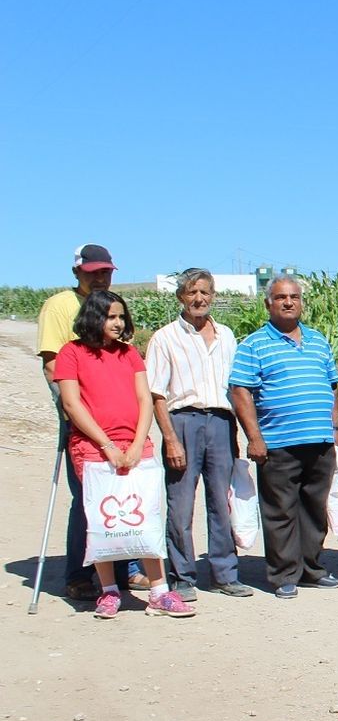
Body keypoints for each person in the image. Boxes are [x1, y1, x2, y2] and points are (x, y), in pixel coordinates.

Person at [53, 290, 193, 620]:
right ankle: (109, 591)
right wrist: (108, 446)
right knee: (103, 518)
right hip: (93, 448)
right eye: (110, 316)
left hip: (135, 445)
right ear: (94, 317)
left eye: (121, 316)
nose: (117, 323)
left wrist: (137, 443)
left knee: (144, 513)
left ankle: (159, 592)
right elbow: (71, 403)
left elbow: (145, 399)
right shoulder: (71, 353)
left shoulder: (129, 353)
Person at [36, 243, 145, 599]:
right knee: (88, 498)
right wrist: (73, 410)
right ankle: (80, 575)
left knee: (125, 495)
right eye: (93, 272)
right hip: (83, 419)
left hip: (120, 423)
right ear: (77, 272)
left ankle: (127, 568)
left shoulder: (113, 307)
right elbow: (52, 364)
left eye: (106, 272)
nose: (100, 277)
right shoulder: (60, 305)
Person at [229, 275, 338, 600]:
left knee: (314, 508)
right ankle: (284, 574)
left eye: (294, 296)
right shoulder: (254, 344)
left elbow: (333, 387)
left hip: (319, 442)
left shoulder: (318, 340)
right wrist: (254, 437)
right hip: (278, 442)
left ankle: (311, 569)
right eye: (281, 297)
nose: (289, 302)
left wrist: (335, 429)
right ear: (268, 303)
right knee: (280, 511)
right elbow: (240, 392)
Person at [145, 267, 252, 600]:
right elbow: (156, 393)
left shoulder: (226, 336)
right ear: (181, 296)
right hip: (183, 421)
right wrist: (170, 439)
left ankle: (224, 574)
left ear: (213, 296)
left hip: (220, 421)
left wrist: (239, 431)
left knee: (221, 500)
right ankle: (182, 576)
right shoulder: (165, 337)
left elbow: (236, 387)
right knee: (180, 505)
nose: (198, 298)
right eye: (192, 292)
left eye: (204, 292)